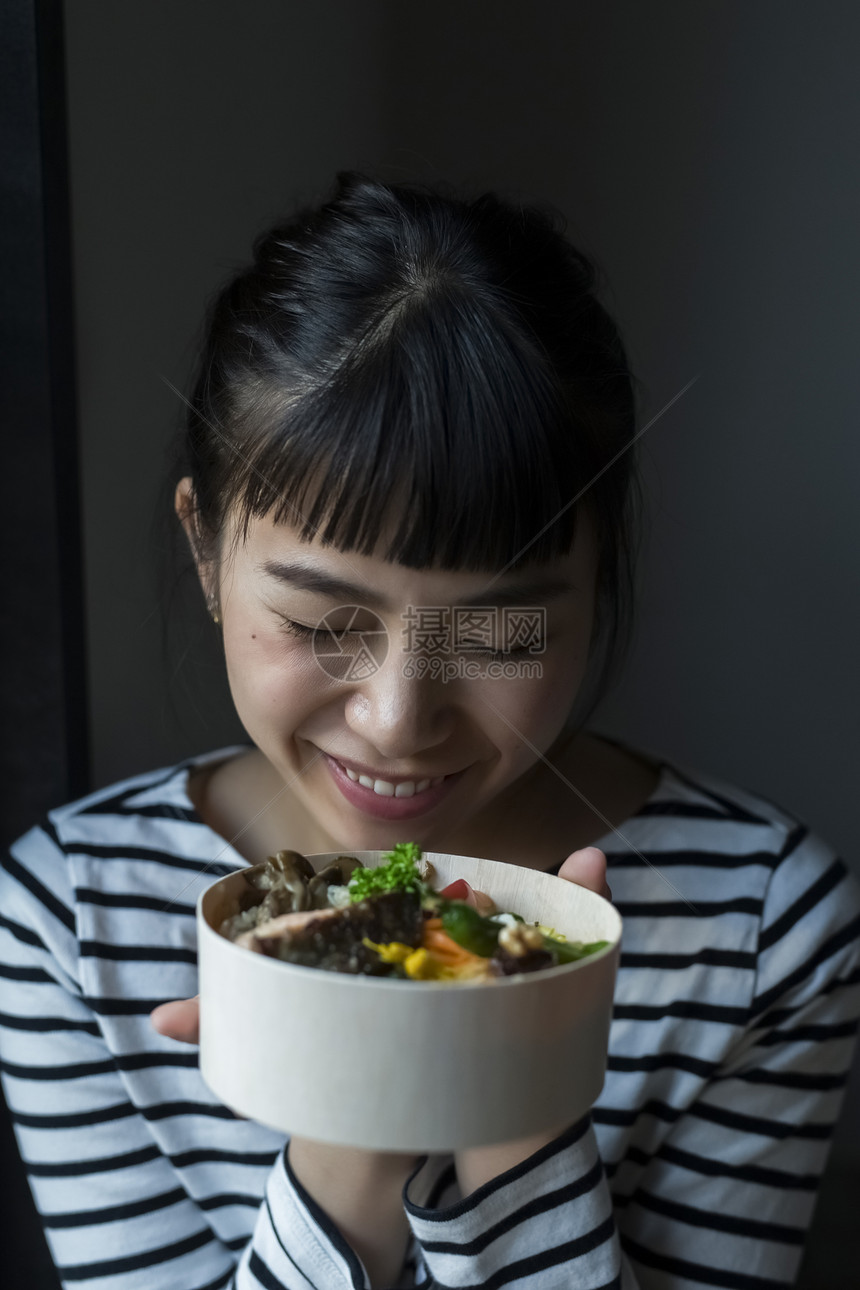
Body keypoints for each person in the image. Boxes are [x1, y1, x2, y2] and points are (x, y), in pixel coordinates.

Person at [1, 171, 858, 1290]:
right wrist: (365, 1098)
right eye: (319, 622)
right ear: (206, 553)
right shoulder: (68, 917)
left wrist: (510, 1067)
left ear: (597, 583)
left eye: (497, 636)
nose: (397, 721)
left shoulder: (764, 931)